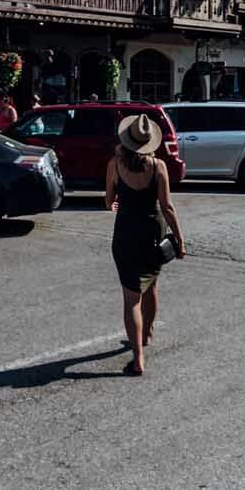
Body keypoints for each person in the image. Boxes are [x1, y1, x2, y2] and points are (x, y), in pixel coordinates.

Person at [104, 114, 185, 376]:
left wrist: (119, 202)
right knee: (151, 285)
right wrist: (180, 239)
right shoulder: (158, 166)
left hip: (126, 233)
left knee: (131, 298)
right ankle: (147, 334)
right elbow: (167, 207)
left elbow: (109, 202)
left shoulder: (114, 165)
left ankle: (138, 357)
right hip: (153, 233)